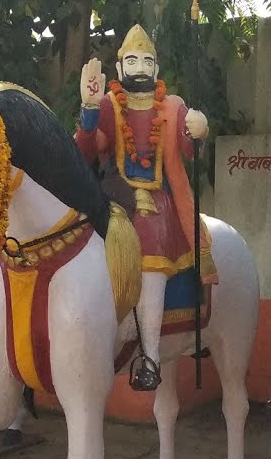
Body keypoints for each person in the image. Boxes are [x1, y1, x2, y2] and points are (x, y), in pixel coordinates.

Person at [75, 24, 215, 391]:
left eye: (147, 61)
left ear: (156, 69)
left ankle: (149, 355)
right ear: (119, 70)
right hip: (111, 198)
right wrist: (88, 114)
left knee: (150, 241)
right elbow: (87, 152)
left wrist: (197, 131)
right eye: (132, 60)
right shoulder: (108, 105)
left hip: (156, 204)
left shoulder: (172, 106)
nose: (139, 67)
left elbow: (188, 149)